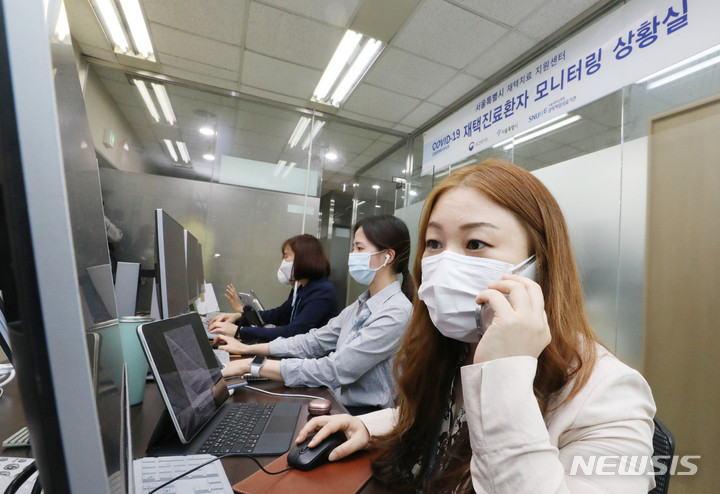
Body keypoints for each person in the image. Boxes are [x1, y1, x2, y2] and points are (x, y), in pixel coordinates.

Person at [295, 159, 656, 493]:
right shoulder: (455, 348)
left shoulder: (611, 393)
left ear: (539, 264)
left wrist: (504, 372)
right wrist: (366, 426)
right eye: (434, 243)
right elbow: (449, 421)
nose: (445, 264)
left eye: (476, 243)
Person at [214, 215, 415, 415]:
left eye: (359, 249)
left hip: (363, 415)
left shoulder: (396, 312)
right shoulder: (361, 304)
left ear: (388, 256)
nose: (352, 255)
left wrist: (251, 365)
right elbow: (313, 341)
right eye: (353, 248)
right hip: (339, 401)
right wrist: (248, 350)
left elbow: (336, 369)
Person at [208, 234, 339, 343]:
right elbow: (279, 314)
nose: (283, 261)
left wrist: (239, 331)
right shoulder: (302, 288)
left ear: (303, 258)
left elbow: (293, 332)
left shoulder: (322, 292)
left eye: (286, 256)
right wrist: (239, 317)